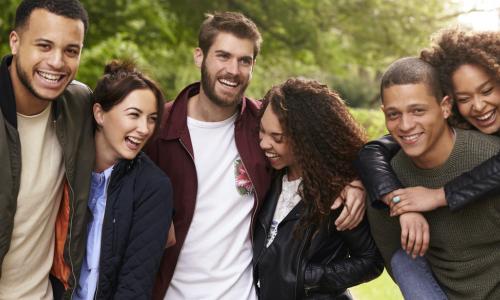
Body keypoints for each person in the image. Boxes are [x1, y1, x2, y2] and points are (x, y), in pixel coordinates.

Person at [146, 11, 367, 299]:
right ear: (199, 57)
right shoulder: (157, 128)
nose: (233, 70)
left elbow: (325, 143)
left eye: (244, 60)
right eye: (223, 56)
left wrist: (356, 180)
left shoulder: (263, 124)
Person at [366, 56, 500, 299]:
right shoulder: (384, 181)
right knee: (403, 259)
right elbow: (393, 257)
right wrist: (401, 205)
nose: (405, 125)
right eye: (394, 114)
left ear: (445, 107)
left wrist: (440, 195)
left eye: (418, 110)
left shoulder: (489, 156)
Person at [254, 78, 383, 299]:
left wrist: (307, 277)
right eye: (262, 132)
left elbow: (370, 261)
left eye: (277, 138)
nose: (264, 143)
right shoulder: (268, 178)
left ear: (307, 139)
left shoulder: (338, 193)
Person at [0, 1, 94, 299]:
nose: (57, 62)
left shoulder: (79, 106)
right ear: (15, 42)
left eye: (71, 50)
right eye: (44, 45)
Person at [72, 60, 173, 299]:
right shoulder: (66, 167)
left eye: (151, 118)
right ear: (99, 113)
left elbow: (134, 287)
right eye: (134, 115)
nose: (144, 129)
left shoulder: (153, 188)